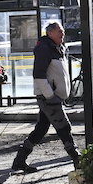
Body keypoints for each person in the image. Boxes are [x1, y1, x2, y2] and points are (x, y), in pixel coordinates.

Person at [12, 22, 79, 173]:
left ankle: (20, 160)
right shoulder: (44, 48)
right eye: (59, 32)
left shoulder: (56, 48)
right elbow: (38, 75)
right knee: (64, 127)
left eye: (62, 32)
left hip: (52, 96)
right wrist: (50, 96)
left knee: (41, 129)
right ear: (50, 33)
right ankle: (76, 158)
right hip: (48, 98)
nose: (62, 35)